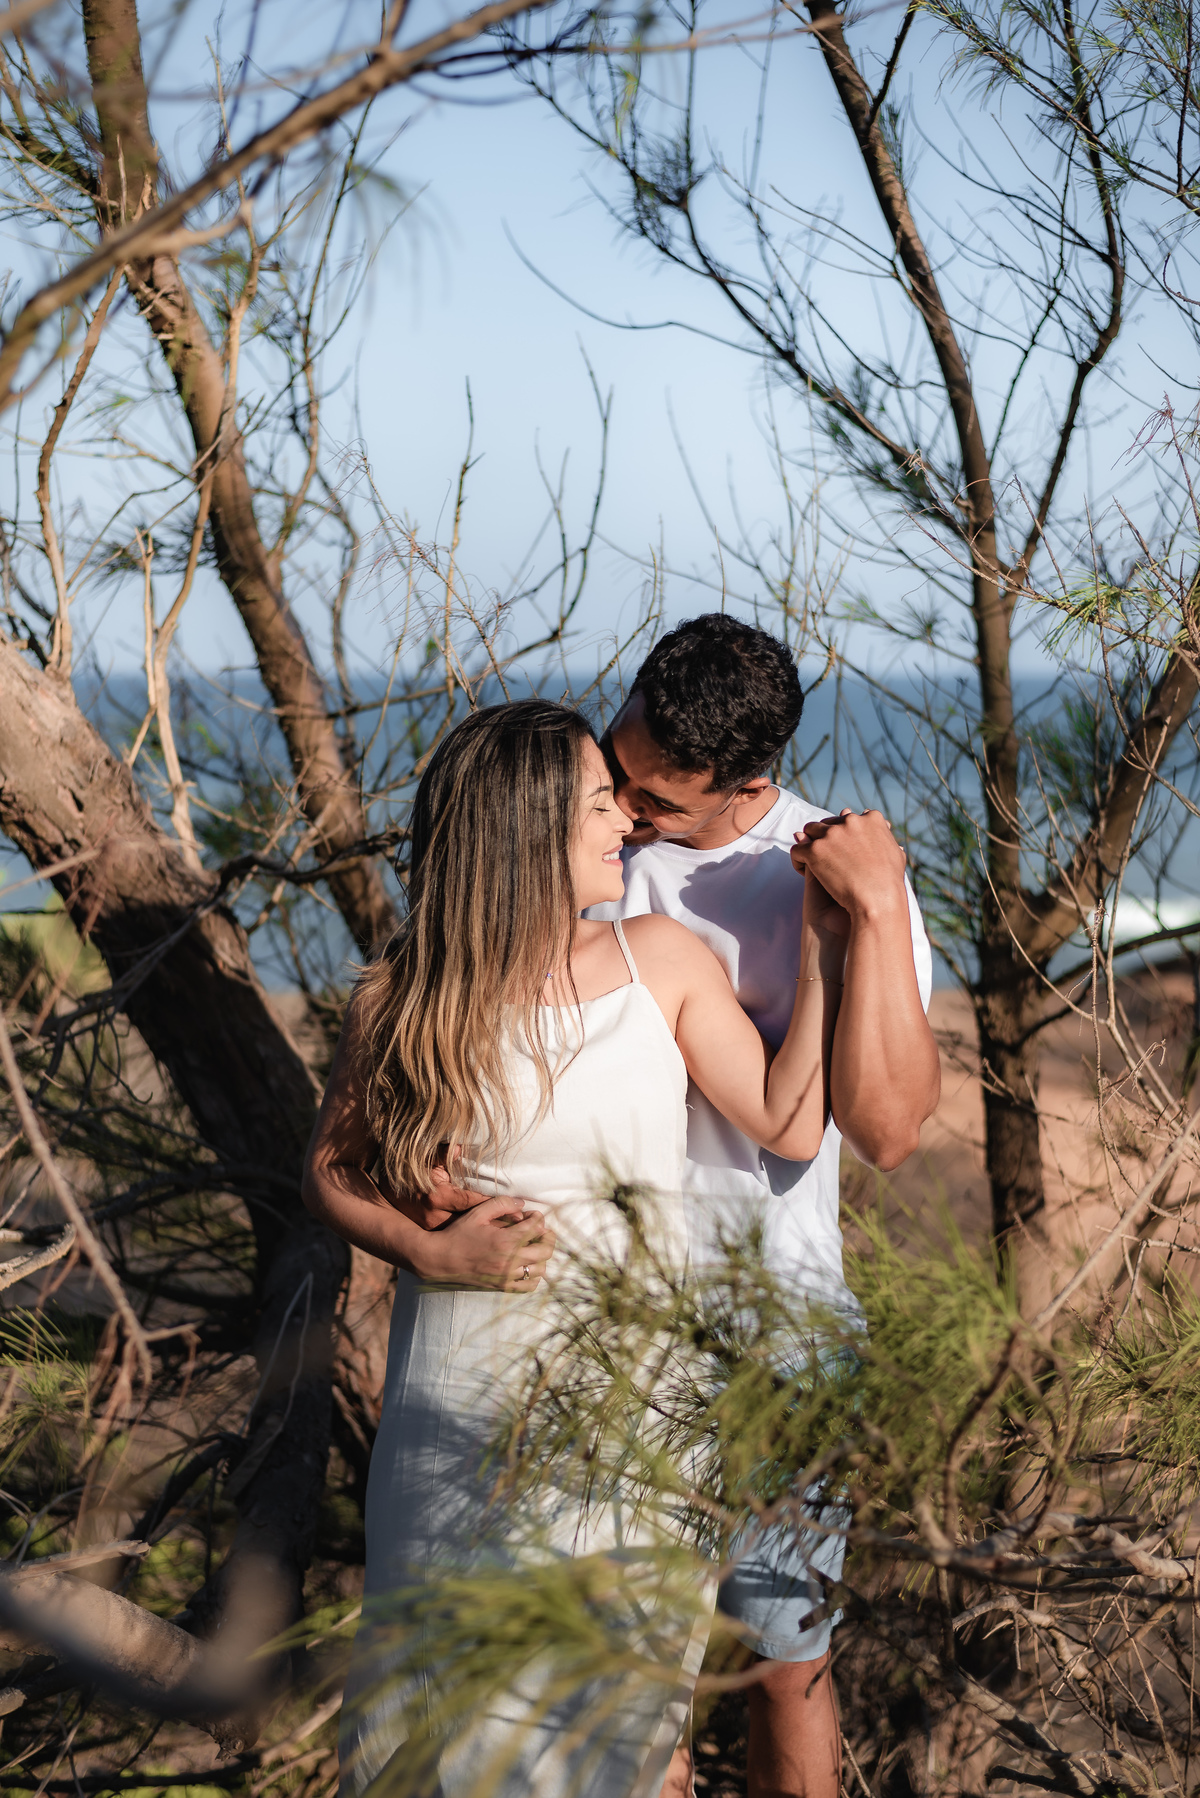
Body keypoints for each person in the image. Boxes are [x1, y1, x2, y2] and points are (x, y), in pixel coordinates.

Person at [303, 698, 851, 1798]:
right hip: (455, 1396)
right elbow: (330, 1169)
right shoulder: (405, 994)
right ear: (524, 832)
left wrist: (838, 934)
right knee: (451, 1715)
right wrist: (427, 1250)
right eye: (600, 803)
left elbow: (790, 1121)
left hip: (628, 1408)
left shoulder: (662, 961)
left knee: (620, 1722)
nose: (624, 825)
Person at [591, 614, 941, 1798]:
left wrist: (880, 910)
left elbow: (890, 1129)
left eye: (658, 802)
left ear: (751, 782)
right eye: (619, 770)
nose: (628, 811)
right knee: (618, 1665)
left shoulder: (824, 870)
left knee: (781, 1658)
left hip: (777, 1333)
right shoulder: (582, 845)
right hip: (605, 1321)